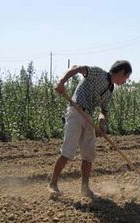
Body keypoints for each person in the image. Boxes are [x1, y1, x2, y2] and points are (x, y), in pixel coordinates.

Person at [48, 60, 132, 198]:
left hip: (88, 117)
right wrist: (61, 82)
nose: (126, 81)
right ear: (122, 73)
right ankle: (53, 184)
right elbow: (76, 68)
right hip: (76, 111)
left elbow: (104, 111)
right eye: (126, 77)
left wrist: (102, 123)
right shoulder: (98, 73)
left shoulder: (110, 89)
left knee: (89, 154)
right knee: (68, 151)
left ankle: (85, 189)